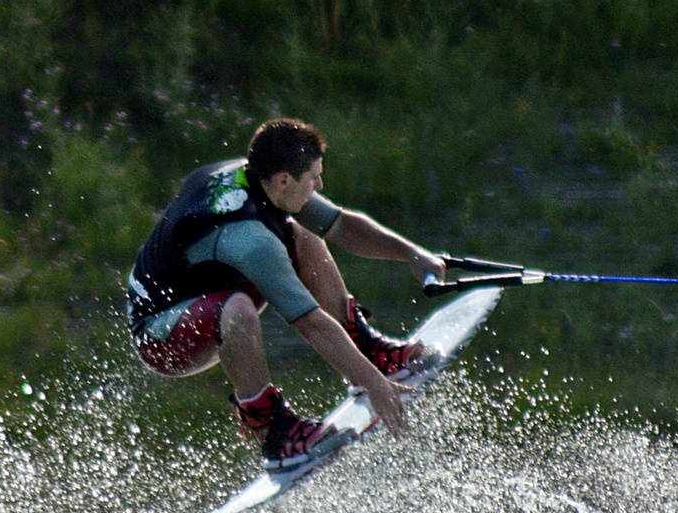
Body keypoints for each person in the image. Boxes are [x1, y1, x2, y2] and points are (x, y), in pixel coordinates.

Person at [125, 118, 447, 472]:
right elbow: (309, 323)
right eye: (313, 178)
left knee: (302, 232)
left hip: (208, 288)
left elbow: (340, 225)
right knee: (238, 309)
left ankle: (365, 348)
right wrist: (375, 384)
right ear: (283, 180)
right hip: (162, 335)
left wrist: (412, 253)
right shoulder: (249, 239)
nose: (320, 184)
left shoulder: (262, 177)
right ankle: (272, 432)